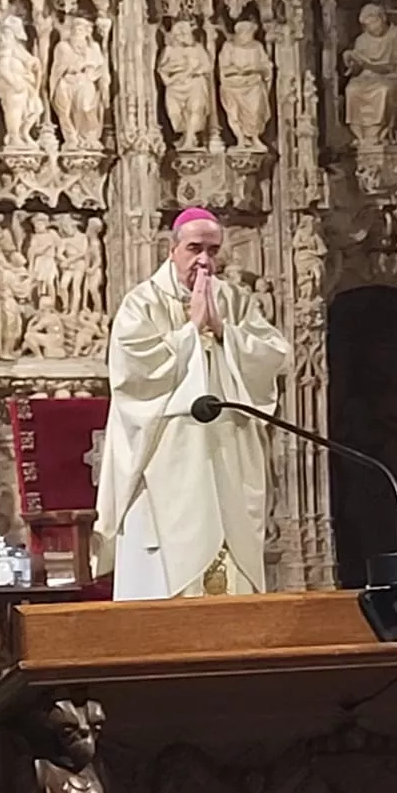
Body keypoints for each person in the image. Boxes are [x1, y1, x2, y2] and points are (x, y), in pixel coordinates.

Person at [93, 207, 290, 599]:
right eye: (194, 248)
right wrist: (189, 332)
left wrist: (222, 331)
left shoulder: (234, 300)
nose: (205, 260)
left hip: (228, 454)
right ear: (172, 249)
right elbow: (132, 374)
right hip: (168, 459)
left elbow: (275, 355)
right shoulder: (141, 303)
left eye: (213, 250)